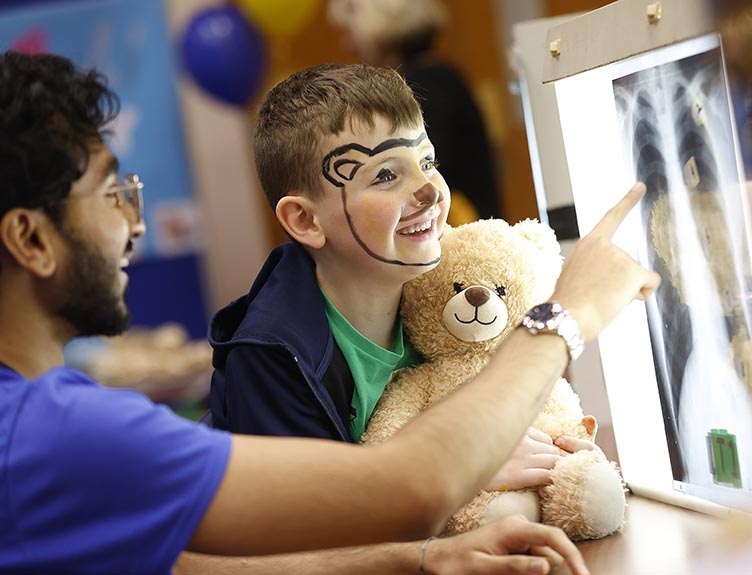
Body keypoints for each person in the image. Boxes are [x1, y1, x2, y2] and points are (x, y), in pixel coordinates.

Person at [0, 50, 659, 575]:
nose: (132, 223)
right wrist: (567, 313)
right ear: (31, 238)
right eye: (113, 193)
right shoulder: (67, 432)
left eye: (425, 163)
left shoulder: (443, 292)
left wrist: (424, 557)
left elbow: (180, 562)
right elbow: (404, 488)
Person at [209, 62, 604, 502]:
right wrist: (462, 467)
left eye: (427, 161)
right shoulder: (272, 358)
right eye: (385, 175)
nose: (430, 191)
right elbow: (308, 527)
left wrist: (552, 446)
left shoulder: (454, 289)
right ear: (305, 220)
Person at [328, 0, 501, 224]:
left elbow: (423, 168)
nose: (347, 45)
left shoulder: (427, 83)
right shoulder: (435, 73)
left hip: (460, 225)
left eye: (349, 32)